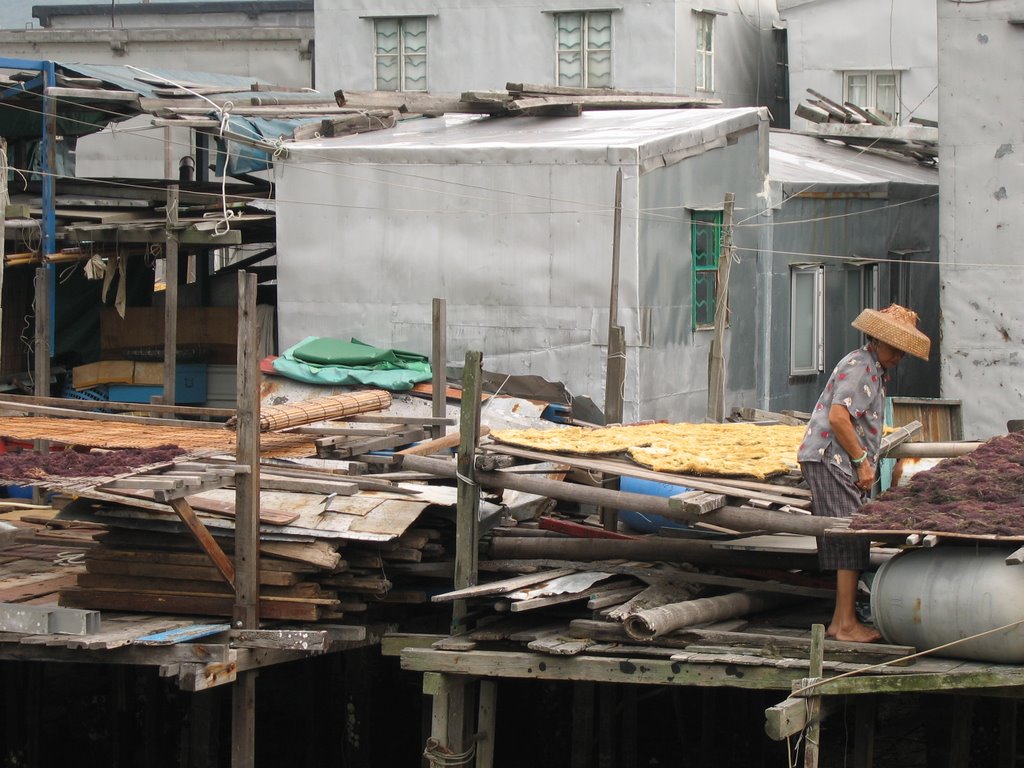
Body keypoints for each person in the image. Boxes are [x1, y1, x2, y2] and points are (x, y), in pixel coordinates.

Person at [797, 304, 931, 643]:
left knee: (850, 535)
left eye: (903, 351)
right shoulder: (861, 367)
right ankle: (844, 624)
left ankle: (842, 620)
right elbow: (839, 417)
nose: (899, 356)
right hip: (833, 459)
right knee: (850, 534)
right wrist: (862, 461)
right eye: (895, 348)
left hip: (837, 459)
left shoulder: (871, 367)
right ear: (879, 340)